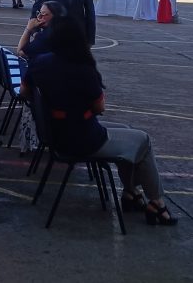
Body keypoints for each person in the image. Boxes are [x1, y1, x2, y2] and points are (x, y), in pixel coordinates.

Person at [22, 17, 177, 226]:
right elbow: (99, 108)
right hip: (84, 139)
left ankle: (131, 193)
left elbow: (25, 92)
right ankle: (157, 203)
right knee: (142, 140)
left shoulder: (39, 63)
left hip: (53, 133)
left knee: (126, 131)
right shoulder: (83, 70)